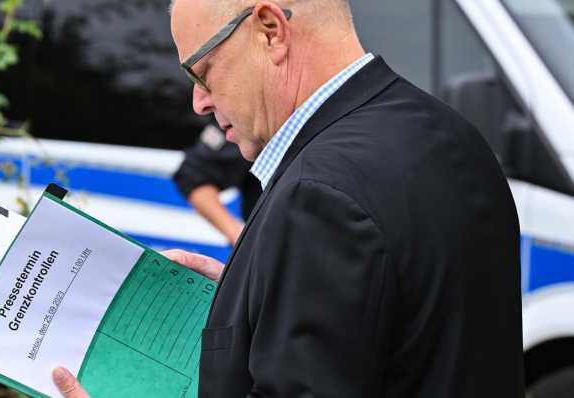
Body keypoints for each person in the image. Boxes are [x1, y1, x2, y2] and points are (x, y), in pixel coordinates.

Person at [53, 0, 525, 396]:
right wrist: (261, 300)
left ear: (270, 30)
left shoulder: (316, 197)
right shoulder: (451, 135)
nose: (199, 102)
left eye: (202, 72)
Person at [173, 124, 261, 245]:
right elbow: (192, 174)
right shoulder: (257, 121)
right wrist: (239, 237)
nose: (200, 107)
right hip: (270, 246)